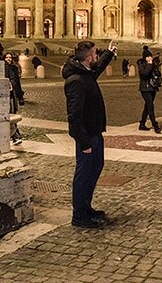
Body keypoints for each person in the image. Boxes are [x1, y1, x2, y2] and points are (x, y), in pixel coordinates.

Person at [63, 40, 117, 228]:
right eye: (95, 53)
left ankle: (86, 207)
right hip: (87, 135)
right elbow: (74, 115)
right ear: (88, 57)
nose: (96, 55)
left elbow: (97, 70)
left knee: (95, 167)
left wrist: (108, 54)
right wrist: (83, 142)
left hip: (94, 131)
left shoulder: (85, 73)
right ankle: (79, 215)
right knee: (84, 173)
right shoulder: (76, 81)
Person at [137, 48, 162, 133]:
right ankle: (155, 125)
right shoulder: (141, 64)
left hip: (152, 87)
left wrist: (155, 66)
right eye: (148, 56)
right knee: (150, 106)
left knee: (147, 107)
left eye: (150, 56)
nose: (149, 58)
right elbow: (144, 74)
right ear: (144, 57)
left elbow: (158, 73)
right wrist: (149, 65)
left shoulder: (153, 63)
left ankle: (142, 124)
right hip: (145, 88)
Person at [4, 52, 24, 145]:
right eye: (7, 57)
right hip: (4, 95)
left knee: (12, 114)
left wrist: (20, 97)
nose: (8, 59)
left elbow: (18, 84)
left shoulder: (14, 68)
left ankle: (15, 136)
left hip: (12, 95)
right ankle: (16, 136)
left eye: (10, 57)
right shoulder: (1, 68)